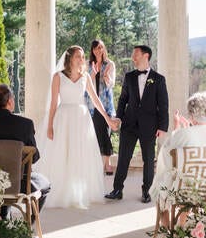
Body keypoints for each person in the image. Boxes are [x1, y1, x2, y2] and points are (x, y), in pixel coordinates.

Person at [38, 45, 120, 209]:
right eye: (78, 56)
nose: (82, 59)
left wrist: (108, 119)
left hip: (82, 119)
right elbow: (54, 103)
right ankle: (61, 192)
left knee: (80, 155)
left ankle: (78, 193)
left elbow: (96, 101)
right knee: (63, 154)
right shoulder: (58, 77)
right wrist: (50, 125)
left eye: (83, 57)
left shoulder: (86, 77)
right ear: (70, 59)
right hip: (63, 118)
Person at [151, 91, 206, 227]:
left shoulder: (183, 134)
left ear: (192, 114)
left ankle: (169, 233)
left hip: (184, 191)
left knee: (159, 188)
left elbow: (166, 156)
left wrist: (178, 129)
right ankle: (182, 226)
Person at [105, 45, 169, 204]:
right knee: (123, 157)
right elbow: (123, 100)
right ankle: (117, 189)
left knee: (148, 159)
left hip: (150, 125)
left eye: (136, 55)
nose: (133, 58)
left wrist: (162, 126)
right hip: (129, 123)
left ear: (146, 56)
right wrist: (118, 118)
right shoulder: (129, 77)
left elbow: (163, 104)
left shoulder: (159, 79)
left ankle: (147, 190)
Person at [0, 84, 51, 210]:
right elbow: (35, 157)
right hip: (20, 184)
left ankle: (2, 216)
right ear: (10, 101)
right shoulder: (25, 125)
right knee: (45, 184)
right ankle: (27, 223)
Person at [85, 39, 116, 175]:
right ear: (92, 50)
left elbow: (111, 84)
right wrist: (94, 73)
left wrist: (105, 75)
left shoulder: (110, 64)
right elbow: (86, 84)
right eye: (96, 48)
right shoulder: (87, 64)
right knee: (95, 133)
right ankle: (97, 164)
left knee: (106, 132)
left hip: (106, 105)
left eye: (101, 47)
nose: (98, 50)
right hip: (91, 105)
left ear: (104, 49)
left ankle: (107, 163)